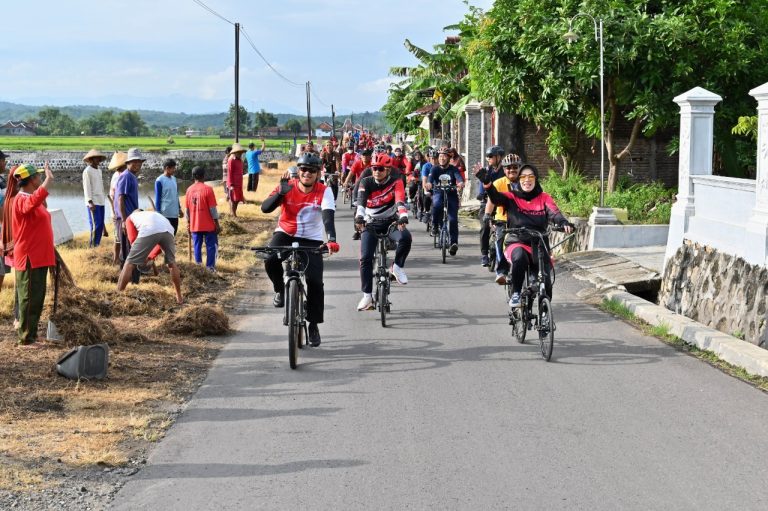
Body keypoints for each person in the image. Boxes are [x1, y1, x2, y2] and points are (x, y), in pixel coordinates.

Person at [260, 152, 339, 347]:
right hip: (285, 232)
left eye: (312, 170)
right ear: (298, 171)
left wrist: (332, 239)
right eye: (303, 169)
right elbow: (265, 208)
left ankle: (313, 324)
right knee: (270, 259)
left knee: (315, 282)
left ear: (318, 172)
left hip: (311, 239)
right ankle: (280, 290)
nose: (307, 173)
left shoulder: (324, 190)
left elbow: (328, 216)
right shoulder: (287, 186)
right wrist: (281, 192)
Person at [478, 163, 574, 307]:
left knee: (546, 282)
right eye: (523, 176)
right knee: (519, 257)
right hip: (517, 241)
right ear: (519, 179)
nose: (527, 180)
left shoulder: (544, 197)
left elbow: (554, 213)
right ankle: (516, 293)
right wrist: (487, 183)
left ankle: (544, 313)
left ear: (536, 179)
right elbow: (496, 198)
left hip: (539, 244)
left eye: (530, 176)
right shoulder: (511, 196)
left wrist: (563, 222)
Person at [354, 154, 411, 311]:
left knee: (406, 238)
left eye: (380, 169)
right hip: (370, 223)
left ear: (387, 169)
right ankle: (367, 296)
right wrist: (360, 216)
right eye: (374, 168)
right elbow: (361, 202)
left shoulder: (396, 182)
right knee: (365, 259)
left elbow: (399, 200)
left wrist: (403, 216)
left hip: (390, 222)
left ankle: (397, 267)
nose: (376, 172)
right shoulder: (366, 182)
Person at [12, 163, 55, 348]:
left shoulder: (31, 198)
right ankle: (25, 338)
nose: (40, 178)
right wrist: (48, 181)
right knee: (28, 297)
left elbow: (37, 206)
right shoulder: (21, 199)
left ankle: (32, 334)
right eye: (38, 176)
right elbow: (31, 203)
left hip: (40, 255)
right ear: (32, 180)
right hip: (30, 256)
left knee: (37, 296)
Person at [117, 209, 183, 304]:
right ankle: (179, 298)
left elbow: (133, 240)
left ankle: (118, 296)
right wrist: (150, 256)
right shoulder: (152, 214)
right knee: (172, 264)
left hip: (150, 229)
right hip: (169, 230)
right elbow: (159, 245)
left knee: (129, 263)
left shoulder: (130, 218)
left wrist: (140, 256)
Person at [488, 154, 522, 283]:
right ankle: (502, 271)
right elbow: (491, 201)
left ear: (520, 168)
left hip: (522, 219)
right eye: (508, 168)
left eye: (515, 167)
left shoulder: (526, 181)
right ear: (504, 169)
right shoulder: (498, 183)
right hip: (502, 219)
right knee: (501, 241)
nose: (512, 170)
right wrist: (487, 215)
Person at [426, 148, 464, 256]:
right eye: (440, 156)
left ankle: (453, 243)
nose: (442, 158)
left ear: (449, 158)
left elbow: (459, 178)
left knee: (453, 219)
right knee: (436, 205)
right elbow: (430, 179)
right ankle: (434, 225)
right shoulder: (434, 169)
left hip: (451, 194)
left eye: (444, 156)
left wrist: (460, 183)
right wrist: (429, 184)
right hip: (438, 192)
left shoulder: (453, 169)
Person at [473, 145, 505, 267]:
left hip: (502, 204)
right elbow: (481, 190)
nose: (488, 158)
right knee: (485, 226)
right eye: (487, 156)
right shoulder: (485, 172)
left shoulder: (505, 171)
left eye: (491, 156)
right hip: (487, 204)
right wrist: (481, 195)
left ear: (499, 157)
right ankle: (484, 254)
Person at [185, 166, 221, 271]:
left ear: (193, 177)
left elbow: (187, 211)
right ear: (203, 176)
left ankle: (198, 267)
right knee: (211, 246)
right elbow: (213, 210)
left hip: (195, 225)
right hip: (208, 224)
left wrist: (188, 223)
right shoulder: (208, 189)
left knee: (197, 246)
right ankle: (210, 267)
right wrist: (217, 224)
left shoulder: (188, 190)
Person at [116, 148, 144, 282]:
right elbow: (120, 198)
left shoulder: (132, 176)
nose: (137, 165)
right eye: (134, 162)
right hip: (126, 218)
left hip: (132, 217)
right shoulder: (126, 176)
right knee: (128, 250)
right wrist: (123, 220)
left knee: (132, 248)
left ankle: (132, 279)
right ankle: (127, 280)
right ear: (128, 163)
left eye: (139, 162)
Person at [81, 149, 108, 247]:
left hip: (101, 201)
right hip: (93, 202)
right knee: (95, 225)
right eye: (95, 158)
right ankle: (92, 245)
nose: (98, 160)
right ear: (91, 159)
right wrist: (89, 201)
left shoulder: (99, 170)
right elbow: (87, 187)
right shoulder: (87, 171)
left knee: (100, 224)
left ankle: (97, 244)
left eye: (99, 158)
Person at [108, 151, 127, 264]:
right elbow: (117, 197)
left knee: (120, 237)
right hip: (118, 213)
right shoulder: (118, 177)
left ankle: (119, 258)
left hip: (120, 212)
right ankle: (116, 259)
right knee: (118, 238)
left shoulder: (121, 175)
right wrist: (117, 213)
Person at [154, 158, 183, 235]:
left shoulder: (174, 179)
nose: (174, 170)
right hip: (165, 214)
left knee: (173, 233)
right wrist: (158, 213)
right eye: (173, 168)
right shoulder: (159, 180)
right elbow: (158, 198)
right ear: (167, 168)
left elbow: (176, 195)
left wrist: (179, 209)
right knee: (166, 236)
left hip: (174, 213)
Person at [226, 142, 247, 217]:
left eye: (241, 152)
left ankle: (234, 212)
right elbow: (230, 173)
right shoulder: (231, 160)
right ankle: (233, 213)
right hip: (233, 184)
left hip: (239, 183)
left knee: (238, 199)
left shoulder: (240, 161)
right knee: (233, 199)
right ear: (235, 153)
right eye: (239, 152)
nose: (240, 154)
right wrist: (231, 184)